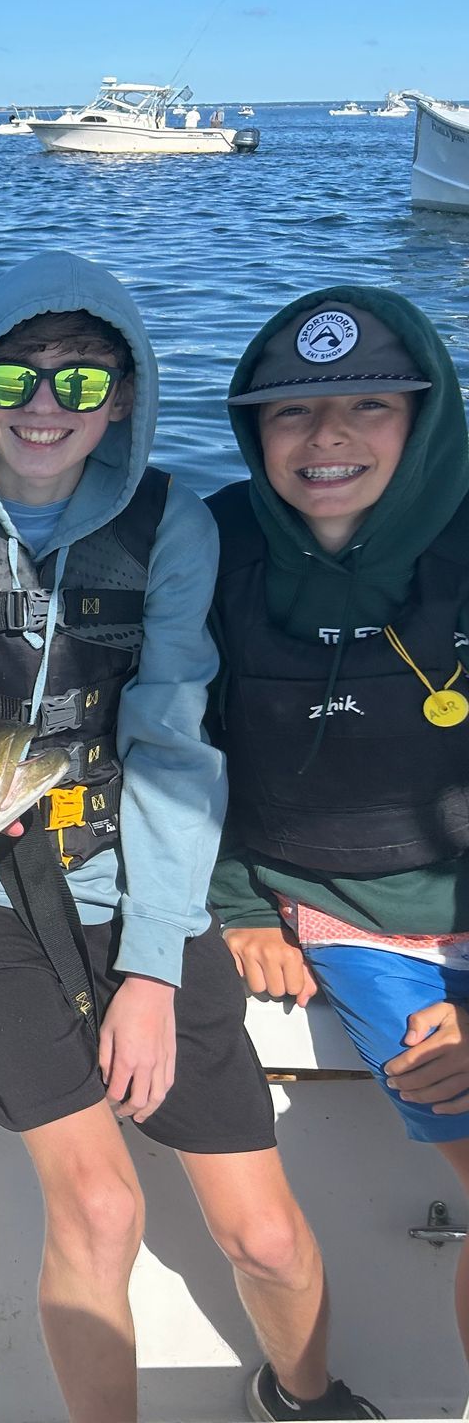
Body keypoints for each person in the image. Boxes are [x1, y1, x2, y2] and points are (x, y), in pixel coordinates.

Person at [0, 252, 381, 1423]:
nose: (43, 408)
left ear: (124, 399)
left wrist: (154, 967)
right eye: (15, 377)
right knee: (102, 1207)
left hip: (141, 897)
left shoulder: (170, 527)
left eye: (82, 386)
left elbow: (175, 747)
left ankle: (307, 1396)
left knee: (270, 1236)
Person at [209, 288, 469, 1392]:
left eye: (371, 402)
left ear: (430, 417)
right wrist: (233, 908)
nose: (328, 438)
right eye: (291, 412)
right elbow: (172, 740)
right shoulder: (215, 545)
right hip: (349, 918)